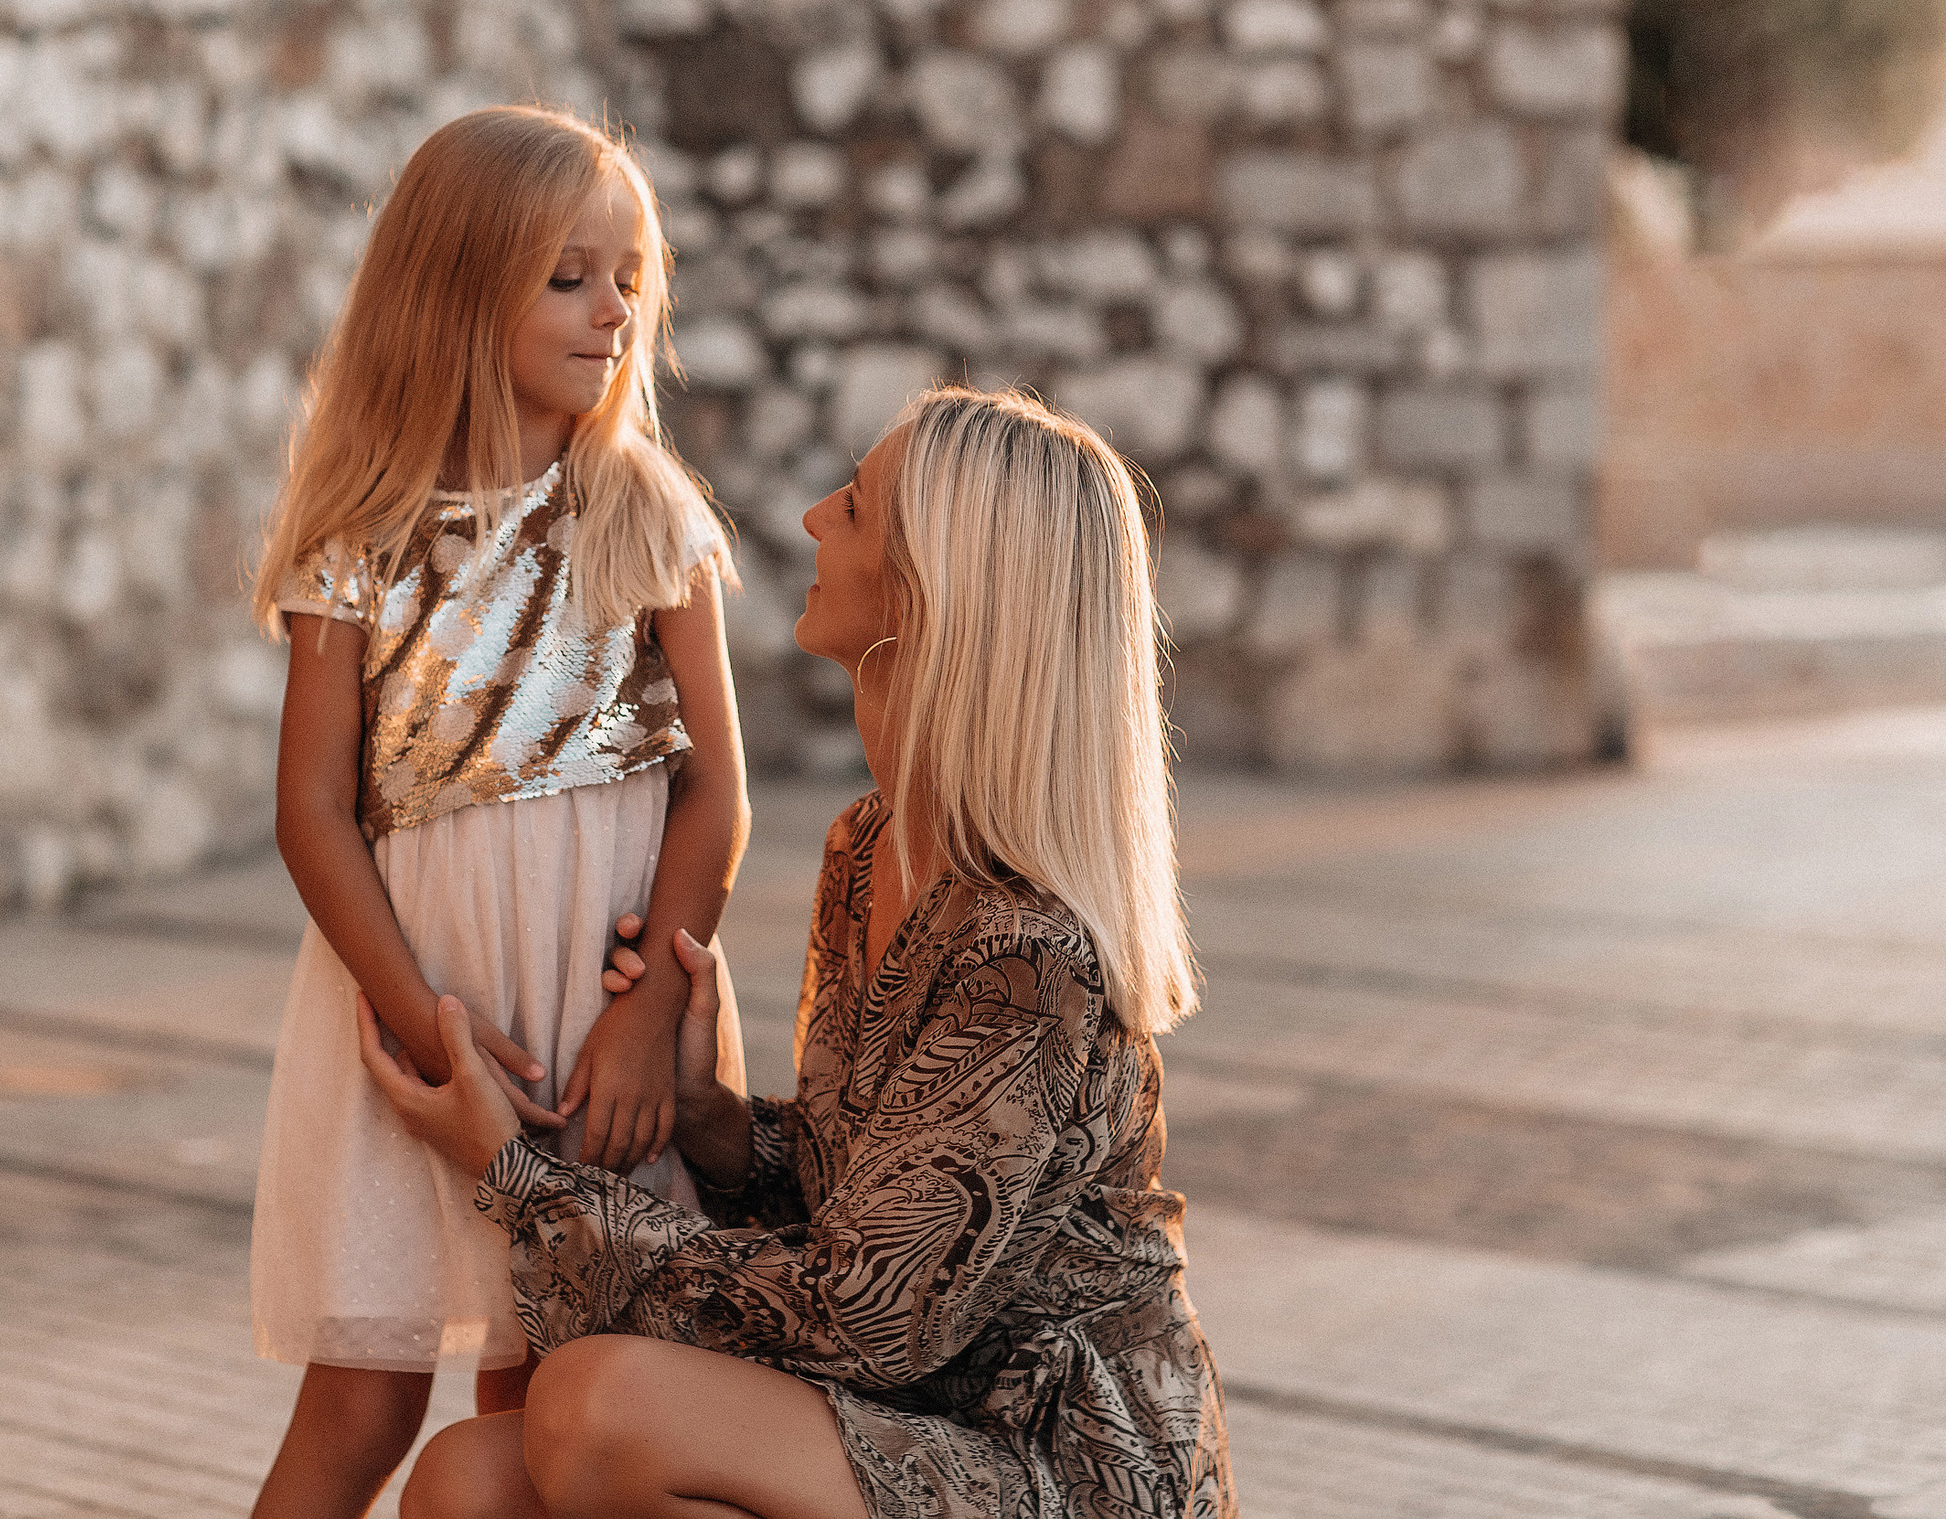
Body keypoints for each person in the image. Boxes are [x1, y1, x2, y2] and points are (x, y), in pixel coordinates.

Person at [366, 386, 1236, 1519]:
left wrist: (516, 1175)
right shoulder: (870, 845)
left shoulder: (1030, 952)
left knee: (597, 1405)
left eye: (859, 506)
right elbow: (874, 1204)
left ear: (936, 590)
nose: (817, 516)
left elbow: (864, 1312)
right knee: (463, 1481)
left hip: (1053, 1463)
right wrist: (716, 1119)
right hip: (912, 1415)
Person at [243, 105, 750, 1519]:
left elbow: (717, 784)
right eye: (568, 275)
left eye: (632, 275)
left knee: (550, 1391)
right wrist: (424, 1020)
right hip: (423, 1021)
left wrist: (652, 1011)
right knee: (360, 1393)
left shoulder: (647, 511)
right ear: (459, 285)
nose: (614, 311)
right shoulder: (365, 531)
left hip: (598, 1035)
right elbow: (310, 812)